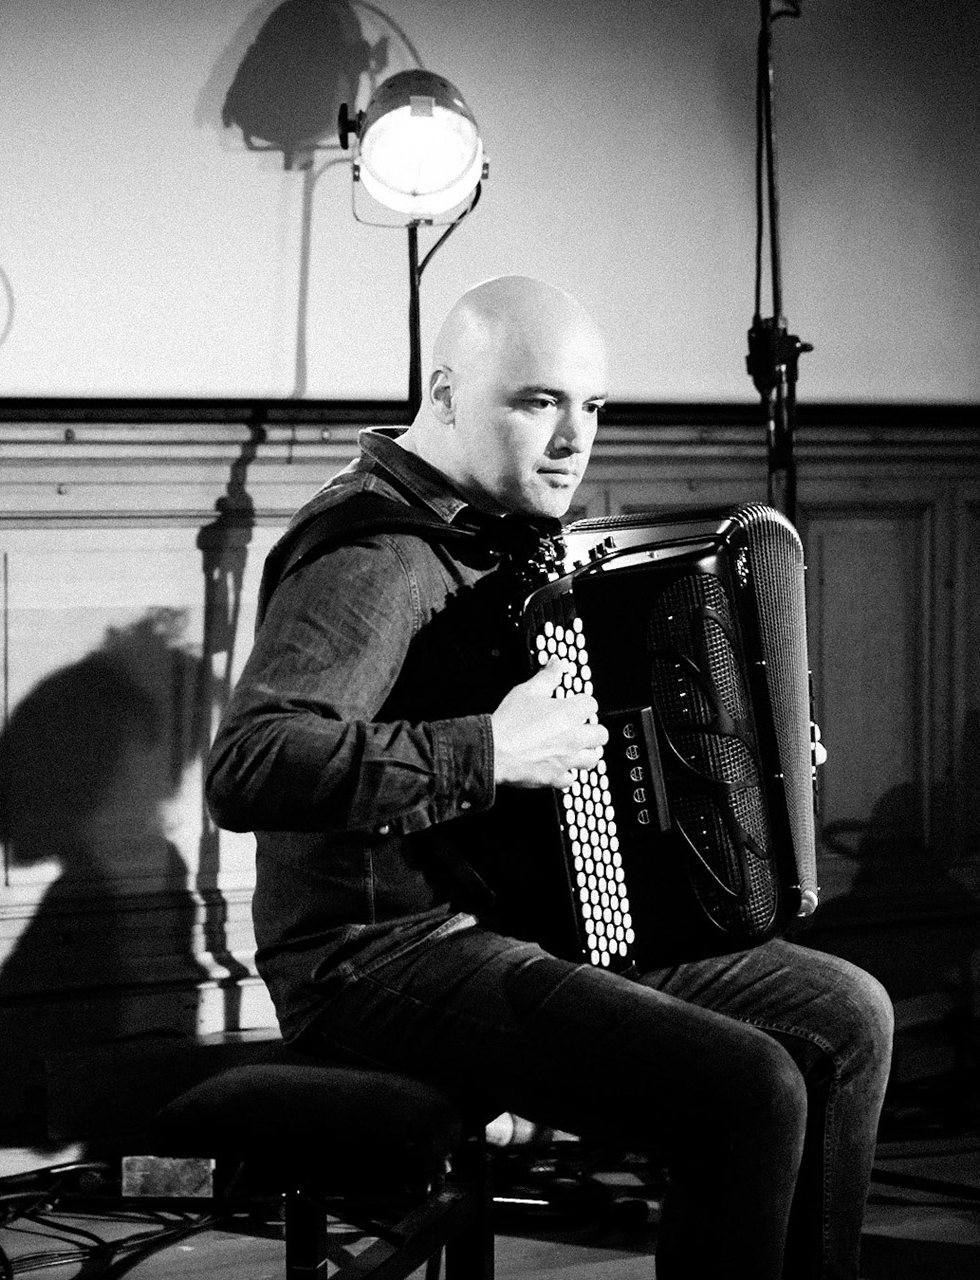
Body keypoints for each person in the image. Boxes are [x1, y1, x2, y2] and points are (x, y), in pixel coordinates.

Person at [205, 276, 892, 1279]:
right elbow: (250, 766)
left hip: (509, 921)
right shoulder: (376, 555)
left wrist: (751, 759)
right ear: (445, 395)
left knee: (847, 1016)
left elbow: (587, 745)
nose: (575, 439)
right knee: (749, 1084)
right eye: (538, 402)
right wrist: (491, 750)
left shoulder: (500, 536)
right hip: (372, 954)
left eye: (592, 407)